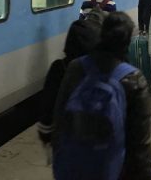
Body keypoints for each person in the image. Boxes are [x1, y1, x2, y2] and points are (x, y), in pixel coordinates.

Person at [52, 12, 151, 180]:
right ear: (127, 42)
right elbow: (140, 146)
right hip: (111, 170)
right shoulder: (133, 78)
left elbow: (59, 120)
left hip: (73, 168)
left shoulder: (76, 67)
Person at [38, 9, 104, 148]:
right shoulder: (102, 68)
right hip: (96, 143)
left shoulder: (59, 68)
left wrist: (46, 135)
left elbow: (47, 105)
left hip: (66, 142)